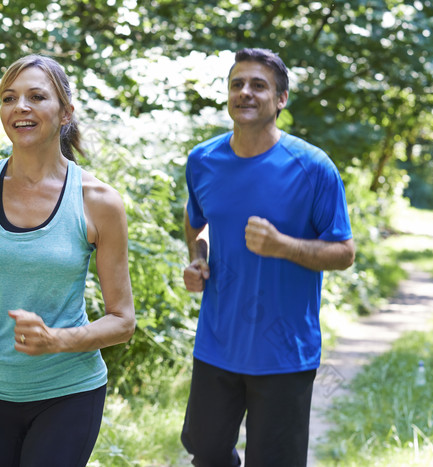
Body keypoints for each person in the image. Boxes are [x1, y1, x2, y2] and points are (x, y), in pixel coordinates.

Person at [0, 54, 136, 467]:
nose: (20, 107)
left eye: (36, 96)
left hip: (69, 391)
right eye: (9, 98)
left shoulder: (98, 201)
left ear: (65, 113)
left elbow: (123, 321)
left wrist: (56, 340)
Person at [181, 48, 355, 467]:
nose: (245, 93)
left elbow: (344, 253)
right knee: (204, 451)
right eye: (237, 84)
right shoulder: (203, 161)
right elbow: (196, 222)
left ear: (281, 99)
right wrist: (198, 257)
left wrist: (283, 246)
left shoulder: (313, 168)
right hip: (217, 343)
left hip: (284, 351)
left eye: (259, 85)